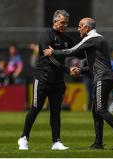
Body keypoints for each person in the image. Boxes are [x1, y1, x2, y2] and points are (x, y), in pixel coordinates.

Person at [44, 17, 113, 149]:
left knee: (100, 109)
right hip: (104, 77)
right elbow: (96, 64)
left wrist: (53, 52)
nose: (78, 29)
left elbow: (72, 51)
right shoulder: (98, 39)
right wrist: (81, 70)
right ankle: (98, 143)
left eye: (80, 26)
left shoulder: (92, 38)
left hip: (102, 78)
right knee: (96, 111)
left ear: (87, 27)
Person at [18, 10, 75, 150]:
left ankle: (56, 142)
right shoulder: (46, 35)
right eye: (62, 22)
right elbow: (52, 60)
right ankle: (23, 138)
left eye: (67, 23)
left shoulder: (67, 39)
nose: (65, 25)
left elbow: (77, 51)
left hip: (58, 81)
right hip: (42, 79)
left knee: (56, 111)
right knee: (36, 108)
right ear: (54, 21)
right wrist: (68, 70)